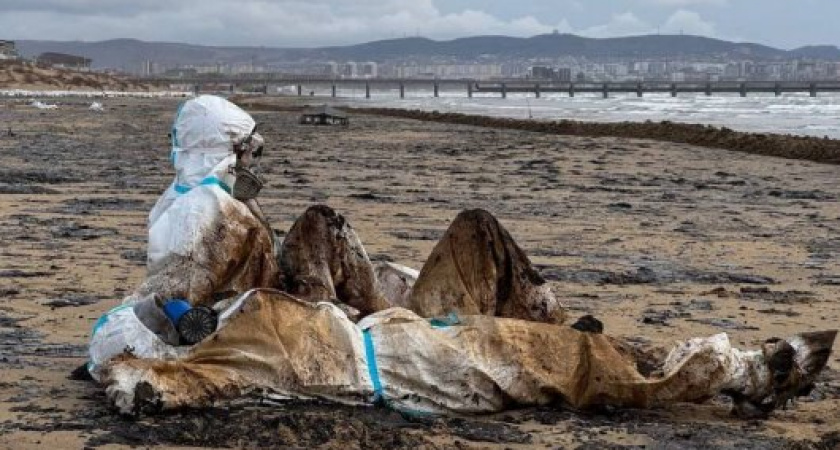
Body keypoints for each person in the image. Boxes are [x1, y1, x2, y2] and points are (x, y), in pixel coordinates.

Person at [91, 96, 836, 420]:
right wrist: (161, 341)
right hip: (400, 358)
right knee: (567, 365)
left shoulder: (250, 307)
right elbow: (147, 370)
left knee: (532, 321)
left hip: (389, 338)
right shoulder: (223, 271)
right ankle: (738, 368)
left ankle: (611, 340)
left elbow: (141, 356)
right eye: (249, 151)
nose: (261, 162)